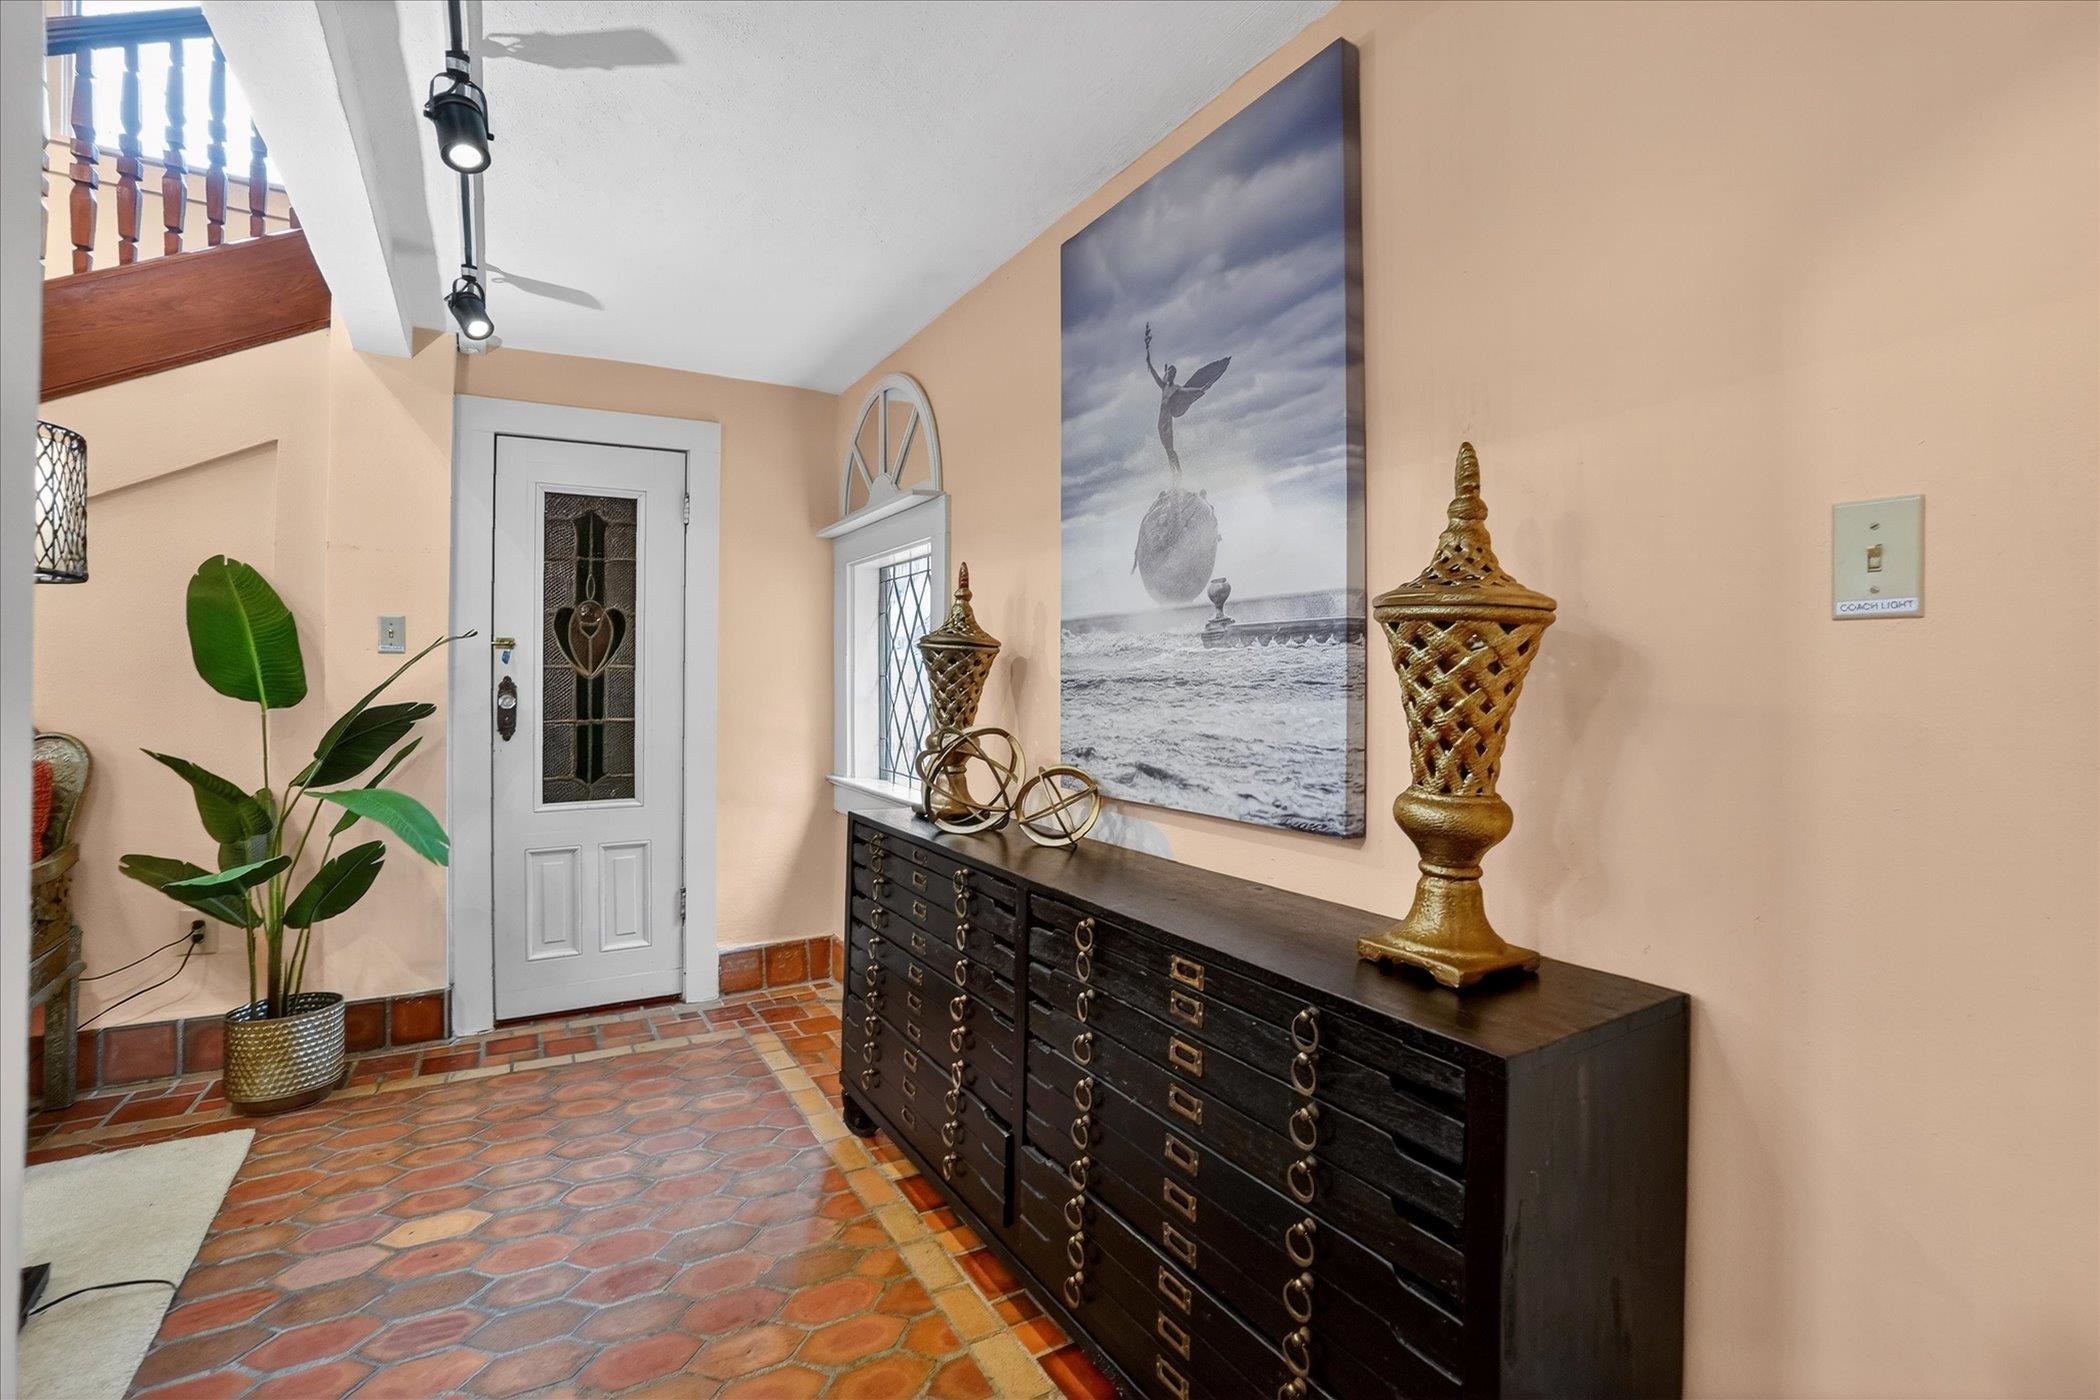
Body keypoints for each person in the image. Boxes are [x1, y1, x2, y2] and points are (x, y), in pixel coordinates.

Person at [1144, 323, 1231, 481]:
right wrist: (1149, 361)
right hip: (1160, 421)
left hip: (1167, 421)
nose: (1168, 374)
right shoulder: (1163, 387)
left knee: (1171, 450)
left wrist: (1201, 389)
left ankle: (1178, 475)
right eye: (1168, 372)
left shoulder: (1175, 388)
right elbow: (1155, 375)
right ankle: (1174, 475)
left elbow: (1188, 390)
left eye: (1170, 372)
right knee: (1167, 451)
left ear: (1173, 375)